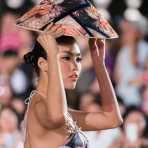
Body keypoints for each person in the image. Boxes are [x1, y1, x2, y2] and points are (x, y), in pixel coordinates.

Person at [23, 23, 123, 148]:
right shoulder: (39, 105)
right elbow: (57, 116)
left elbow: (112, 119)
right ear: (43, 64)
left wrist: (99, 64)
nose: (75, 66)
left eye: (78, 59)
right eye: (66, 58)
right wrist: (52, 54)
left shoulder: (65, 114)